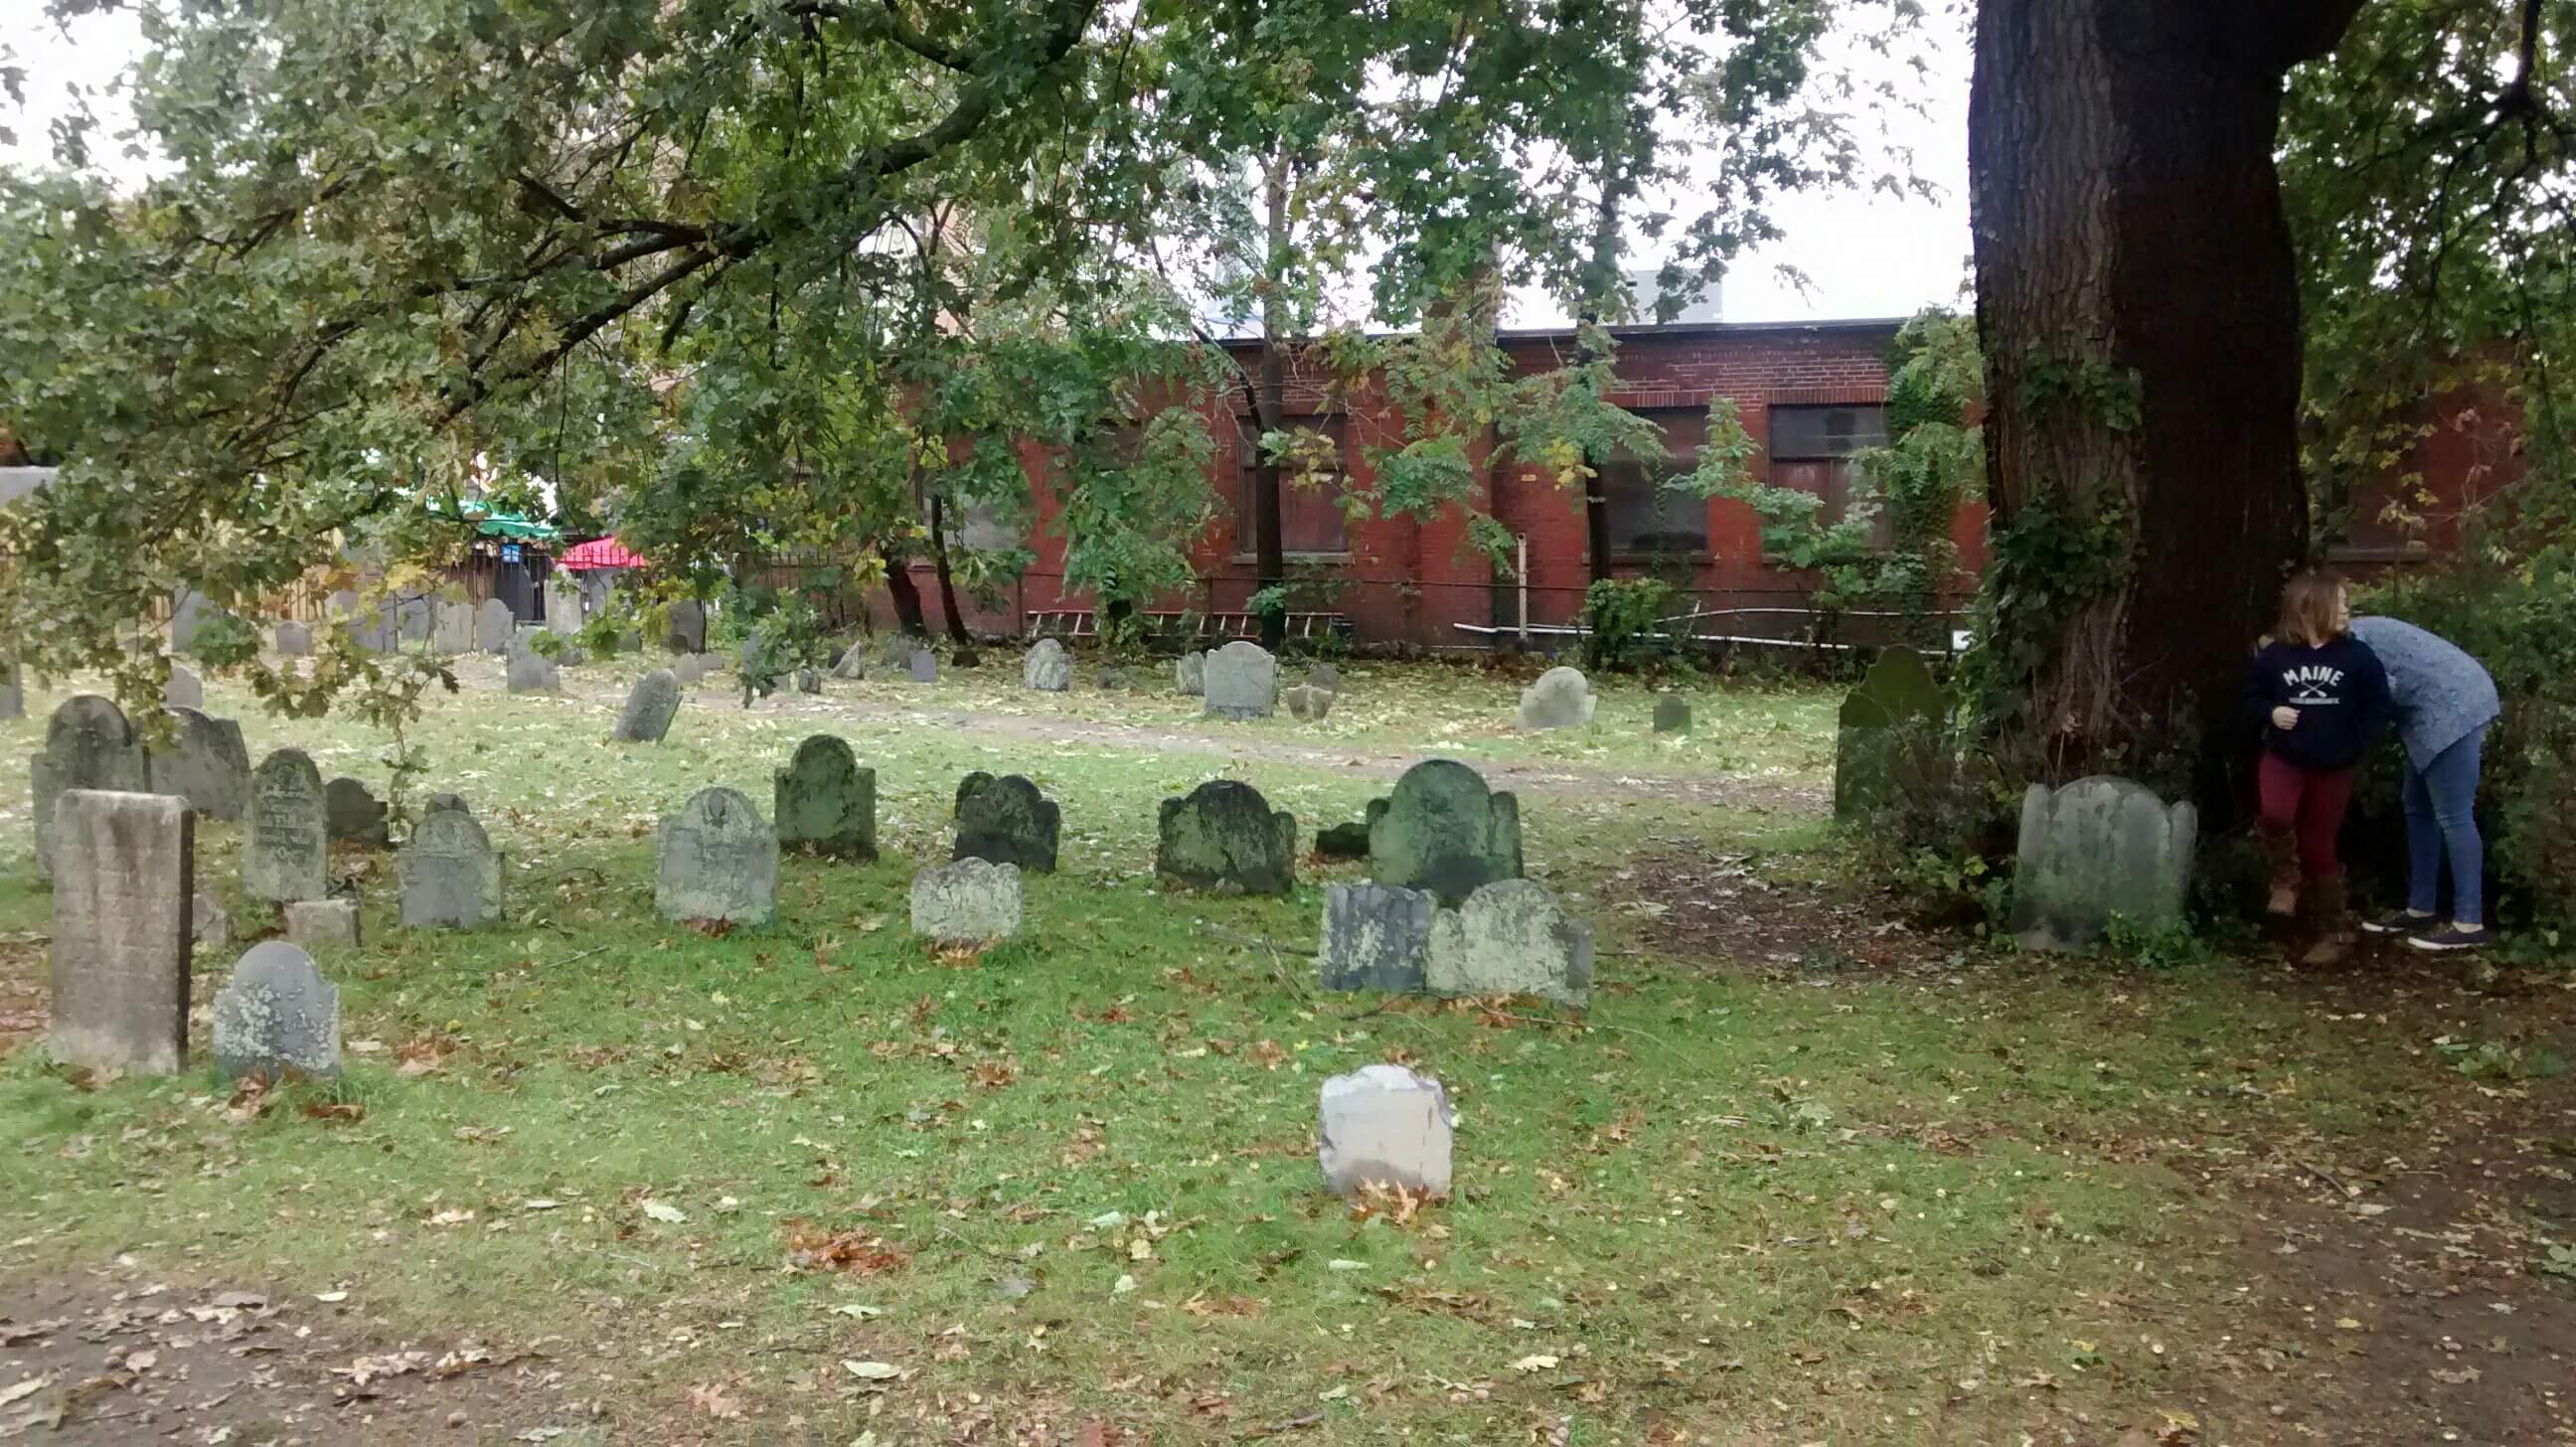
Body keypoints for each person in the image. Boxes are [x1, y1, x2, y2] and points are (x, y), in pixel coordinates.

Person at [2245, 571, 2392, 964]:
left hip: (2333, 768)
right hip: (2284, 758)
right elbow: (2252, 696)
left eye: (2347, 603)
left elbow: (2379, 707)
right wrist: (2271, 712)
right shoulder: (2276, 655)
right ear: (2310, 608)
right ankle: (2285, 880)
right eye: (2339, 603)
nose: (2347, 610)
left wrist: (2354, 745)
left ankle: (2334, 930)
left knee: (2318, 846)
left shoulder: (2358, 657)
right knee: (2275, 814)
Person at [2348, 612, 2500, 952]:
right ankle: (2421, 908)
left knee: (2453, 814)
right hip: (2430, 710)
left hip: (2454, 707)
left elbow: (2380, 696)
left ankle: (2469, 922)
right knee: (2418, 807)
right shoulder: (2352, 636)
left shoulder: (2354, 643)